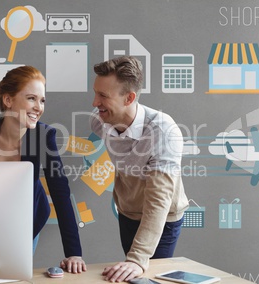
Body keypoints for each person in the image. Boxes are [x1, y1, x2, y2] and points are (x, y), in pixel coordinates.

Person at [0, 66, 86, 274]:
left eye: (42, 100)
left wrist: (74, 253)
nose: (38, 107)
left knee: (12, 274)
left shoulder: (43, 136)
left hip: (26, 218)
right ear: (8, 100)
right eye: (31, 98)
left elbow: (60, 192)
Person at [90, 56, 189, 282]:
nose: (95, 103)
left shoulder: (163, 131)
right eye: (96, 92)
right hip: (127, 210)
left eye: (103, 96)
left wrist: (137, 258)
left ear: (130, 98)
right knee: (130, 276)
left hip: (163, 218)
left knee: (149, 277)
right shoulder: (99, 121)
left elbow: (159, 199)